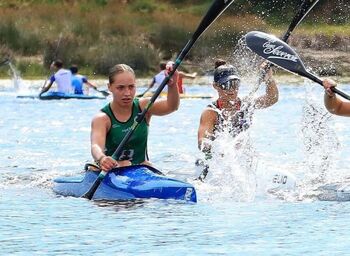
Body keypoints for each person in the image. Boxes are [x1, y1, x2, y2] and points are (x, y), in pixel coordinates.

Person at [90, 63, 179, 171]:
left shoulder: (144, 107)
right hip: (110, 171)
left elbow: (172, 106)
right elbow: (96, 146)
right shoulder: (102, 118)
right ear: (110, 87)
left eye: (131, 87)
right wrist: (102, 158)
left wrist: (172, 85)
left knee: (147, 165)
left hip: (140, 169)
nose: (127, 93)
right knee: (125, 164)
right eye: (120, 88)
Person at [197, 59, 279, 161]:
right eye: (226, 85)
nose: (231, 89)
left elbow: (272, 98)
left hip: (242, 161)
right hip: (216, 163)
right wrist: (212, 147)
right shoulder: (211, 112)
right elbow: (202, 141)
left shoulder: (246, 105)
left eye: (235, 84)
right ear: (216, 86)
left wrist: (268, 78)